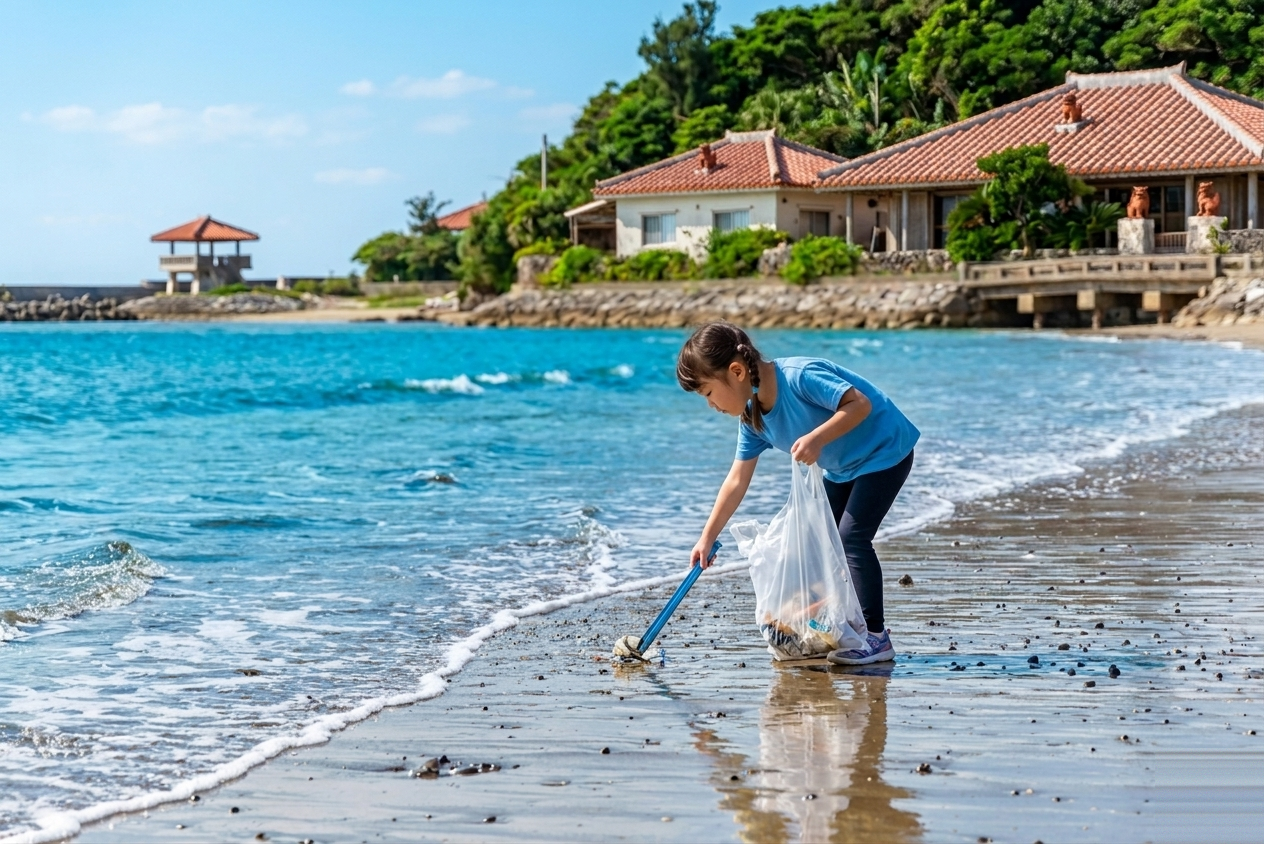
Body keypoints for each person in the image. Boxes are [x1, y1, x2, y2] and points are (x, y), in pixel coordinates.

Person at [676, 322, 919, 665]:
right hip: (842, 469)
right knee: (814, 544)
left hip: (884, 450)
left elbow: (859, 404)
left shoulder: (799, 376)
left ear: (736, 371)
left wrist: (818, 438)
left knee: (851, 539)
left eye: (708, 393)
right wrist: (706, 537)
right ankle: (822, 621)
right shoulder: (754, 418)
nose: (711, 405)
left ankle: (876, 637)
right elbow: (736, 480)